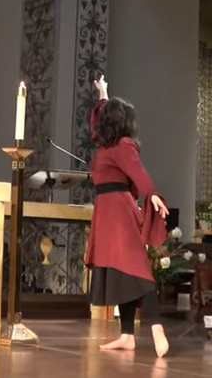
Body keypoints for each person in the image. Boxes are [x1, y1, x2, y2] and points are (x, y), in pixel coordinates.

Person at [85, 75, 170, 358]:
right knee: (119, 273)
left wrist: (152, 193)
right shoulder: (105, 144)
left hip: (120, 212)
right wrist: (104, 94)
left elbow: (138, 172)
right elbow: (99, 118)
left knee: (135, 268)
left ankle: (156, 327)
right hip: (106, 212)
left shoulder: (123, 145)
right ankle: (126, 336)